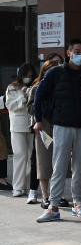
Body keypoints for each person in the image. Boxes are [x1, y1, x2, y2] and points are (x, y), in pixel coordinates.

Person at [34, 38, 81, 223]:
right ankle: (53, 206)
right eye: (76, 51)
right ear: (68, 53)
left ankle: (77, 203)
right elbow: (40, 95)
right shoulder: (55, 72)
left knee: (79, 166)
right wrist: (39, 119)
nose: (80, 55)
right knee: (59, 165)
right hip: (61, 125)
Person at [27, 60, 59, 206]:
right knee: (44, 162)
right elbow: (30, 108)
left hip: (59, 126)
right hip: (43, 127)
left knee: (58, 164)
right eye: (49, 69)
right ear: (44, 71)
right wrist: (40, 111)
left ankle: (56, 195)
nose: (53, 72)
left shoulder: (61, 88)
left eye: (56, 69)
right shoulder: (36, 88)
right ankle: (46, 196)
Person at [6, 63, 38, 200]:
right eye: (26, 75)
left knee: (30, 156)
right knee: (20, 155)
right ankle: (17, 187)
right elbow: (10, 105)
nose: (28, 78)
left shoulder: (35, 86)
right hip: (17, 126)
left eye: (31, 75)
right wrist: (23, 96)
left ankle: (26, 186)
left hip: (31, 125)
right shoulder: (12, 87)